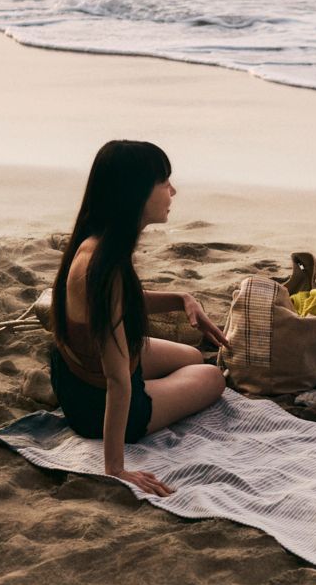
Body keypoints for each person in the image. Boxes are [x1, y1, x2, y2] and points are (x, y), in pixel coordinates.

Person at [49, 140, 229, 498]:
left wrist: (182, 299)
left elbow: (120, 306)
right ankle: (139, 415)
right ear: (135, 193)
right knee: (211, 376)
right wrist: (116, 468)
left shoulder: (96, 241)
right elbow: (118, 380)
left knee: (191, 357)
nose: (172, 191)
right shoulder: (104, 267)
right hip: (94, 401)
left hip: (75, 373)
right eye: (164, 182)